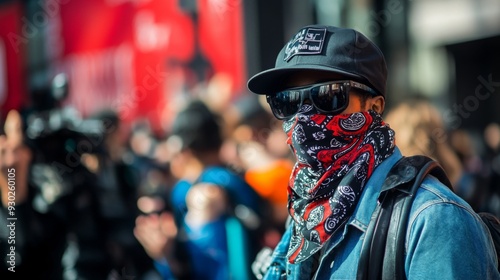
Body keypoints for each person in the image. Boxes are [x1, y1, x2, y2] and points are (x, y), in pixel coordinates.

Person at [246, 24, 499, 279]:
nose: (303, 117)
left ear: (375, 106)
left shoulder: (432, 220)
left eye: (328, 95)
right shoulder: (304, 214)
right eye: (286, 101)